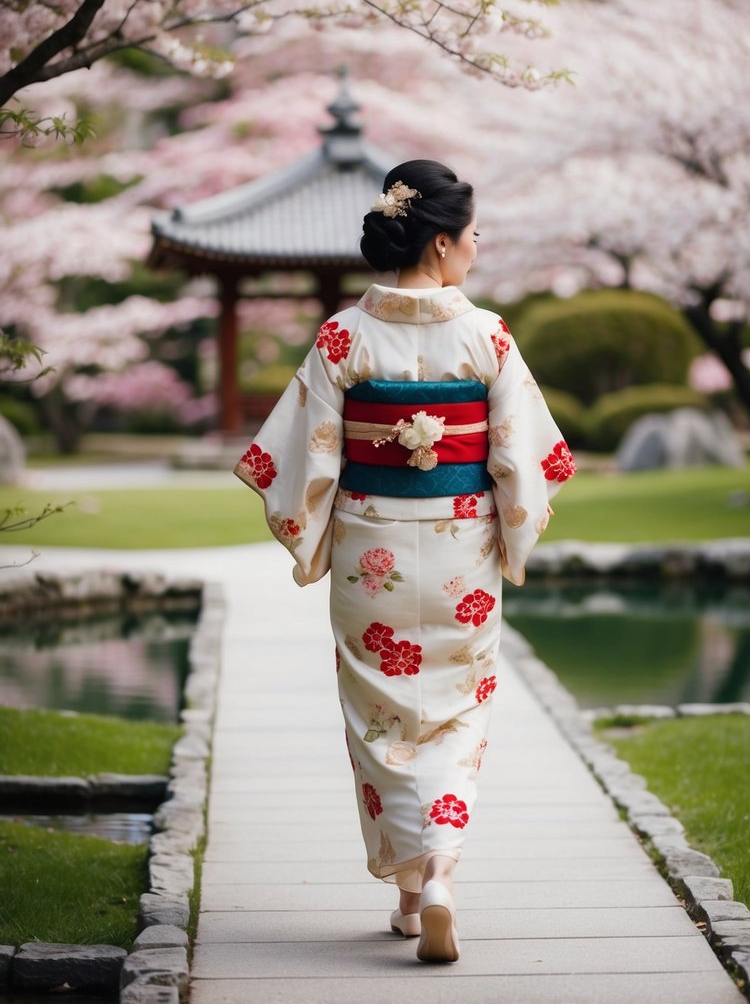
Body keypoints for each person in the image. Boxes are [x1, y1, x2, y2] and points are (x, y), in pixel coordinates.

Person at [234, 159, 576, 962]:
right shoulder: (487, 333)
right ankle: (442, 877)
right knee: (458, 707)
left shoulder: (342, 336)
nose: (477, 247)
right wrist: (513, 537)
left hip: (371, 545)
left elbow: (301, 457)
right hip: (462, 544)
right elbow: (525, 461)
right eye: (472, 234)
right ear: (441, 245)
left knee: (381, 709)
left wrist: (307, 535)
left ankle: (412, 894)